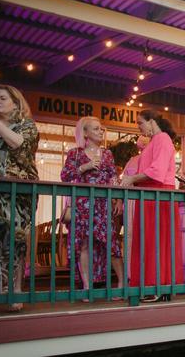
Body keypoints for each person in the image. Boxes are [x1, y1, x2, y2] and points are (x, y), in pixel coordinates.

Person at [120, 110, 183, 302]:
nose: (139, 127)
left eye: (140, 123)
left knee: (157, 240)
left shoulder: (162, 139)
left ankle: (160, 284)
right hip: (148, 194)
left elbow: (158, 170)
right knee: (148, 240)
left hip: (158, 194)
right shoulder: (154, 141)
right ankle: (151, 284)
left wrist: (131, 179)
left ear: (152, 121)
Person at [60, 117, 123, 299]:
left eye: (101, 129)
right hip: (82, 205)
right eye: (96, 129)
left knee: (111, 243)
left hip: (103, 205)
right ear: (85, 133)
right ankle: (87, 286)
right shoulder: (75, 154)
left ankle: (120, 283)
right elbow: (65, 175)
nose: (100, 131)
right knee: (84, 245)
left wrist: (118, 199)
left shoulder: (107, 154)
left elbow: (113, 178)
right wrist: (84, 167)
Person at [0, 85, 38, 311]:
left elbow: (19, 145)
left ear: (16, 102)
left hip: (17, 194)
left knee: (15, 241)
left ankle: (16, 290)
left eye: (2, 98)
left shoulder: (26, 126)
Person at [121, 135, 149, 281]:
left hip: (134, 199)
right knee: (137, 235)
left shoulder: (134, 160)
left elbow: (123, 181)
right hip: (137, 199)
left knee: (133, 235)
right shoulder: (137, 160)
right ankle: (135, 272)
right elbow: (124, 180)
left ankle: (132, 272)